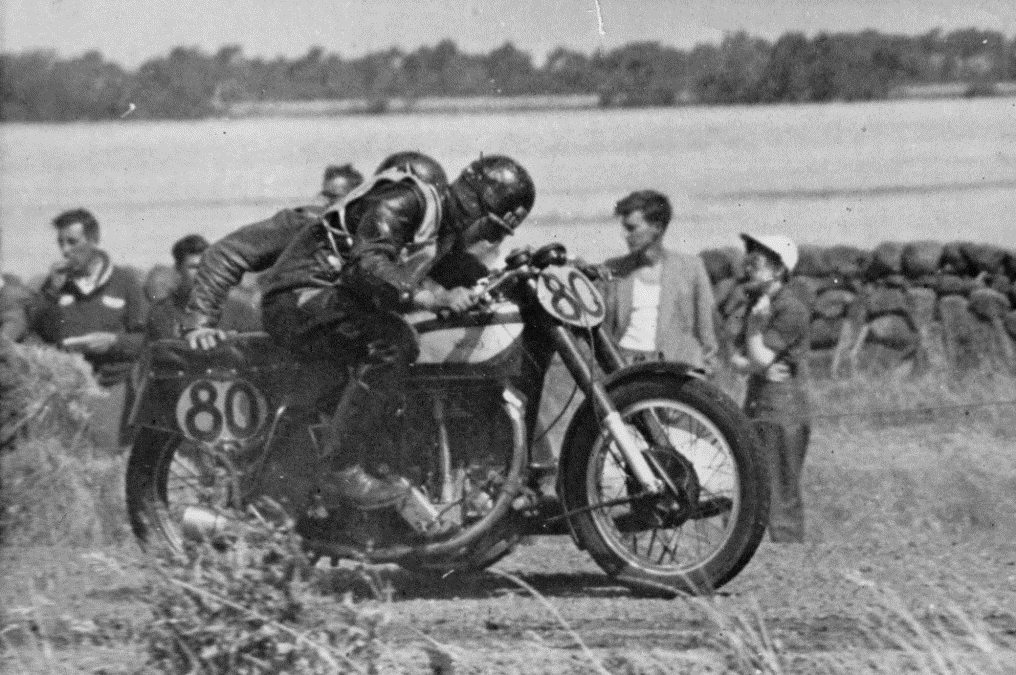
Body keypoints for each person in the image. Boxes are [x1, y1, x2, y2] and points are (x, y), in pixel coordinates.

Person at [183, 154, 535, 510]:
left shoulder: (437, 234)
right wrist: (200, 320)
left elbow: (462, 271)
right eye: (490, 228)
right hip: (303, 299)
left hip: (338, 308)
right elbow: (367, 266)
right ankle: (342, 467)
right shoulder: (334, 218)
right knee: (393, 344)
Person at [32, 208, 146, 449]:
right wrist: (51, 292)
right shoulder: (57, 283)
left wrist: (114, 341)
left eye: (72, 242)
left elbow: (145, 339)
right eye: (61, 243)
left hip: (112, 386)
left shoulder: (124, 282)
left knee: (106, 456)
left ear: (94, 241)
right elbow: (39, 331)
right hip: (68, 389)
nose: (65, 251)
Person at [729, 233, 810, 543]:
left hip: (782, 407)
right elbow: (739, 360)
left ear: (779, 270)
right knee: (755, 486)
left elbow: (758, 357)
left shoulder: (790, 309)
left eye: (758, 263)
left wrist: (754, 336)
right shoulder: (757, 304)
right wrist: (756, 362)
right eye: (749, 261)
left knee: (780, 493)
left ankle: (789, 565)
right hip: (760, 400)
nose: (749, 267)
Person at [600, 190, 719, 373]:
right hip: (625, 367)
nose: (625, 235)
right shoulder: (613, 269)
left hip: (675, 369)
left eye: (632, 228)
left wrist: (705, 370)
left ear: (657, 227)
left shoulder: (691, 268)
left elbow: (706, 329)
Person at [146, 234, 261, 340]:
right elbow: (153, 357)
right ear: (178, 269)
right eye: (194, 267)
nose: (201, 273)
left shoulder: (239, 309)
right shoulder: (160, 313)